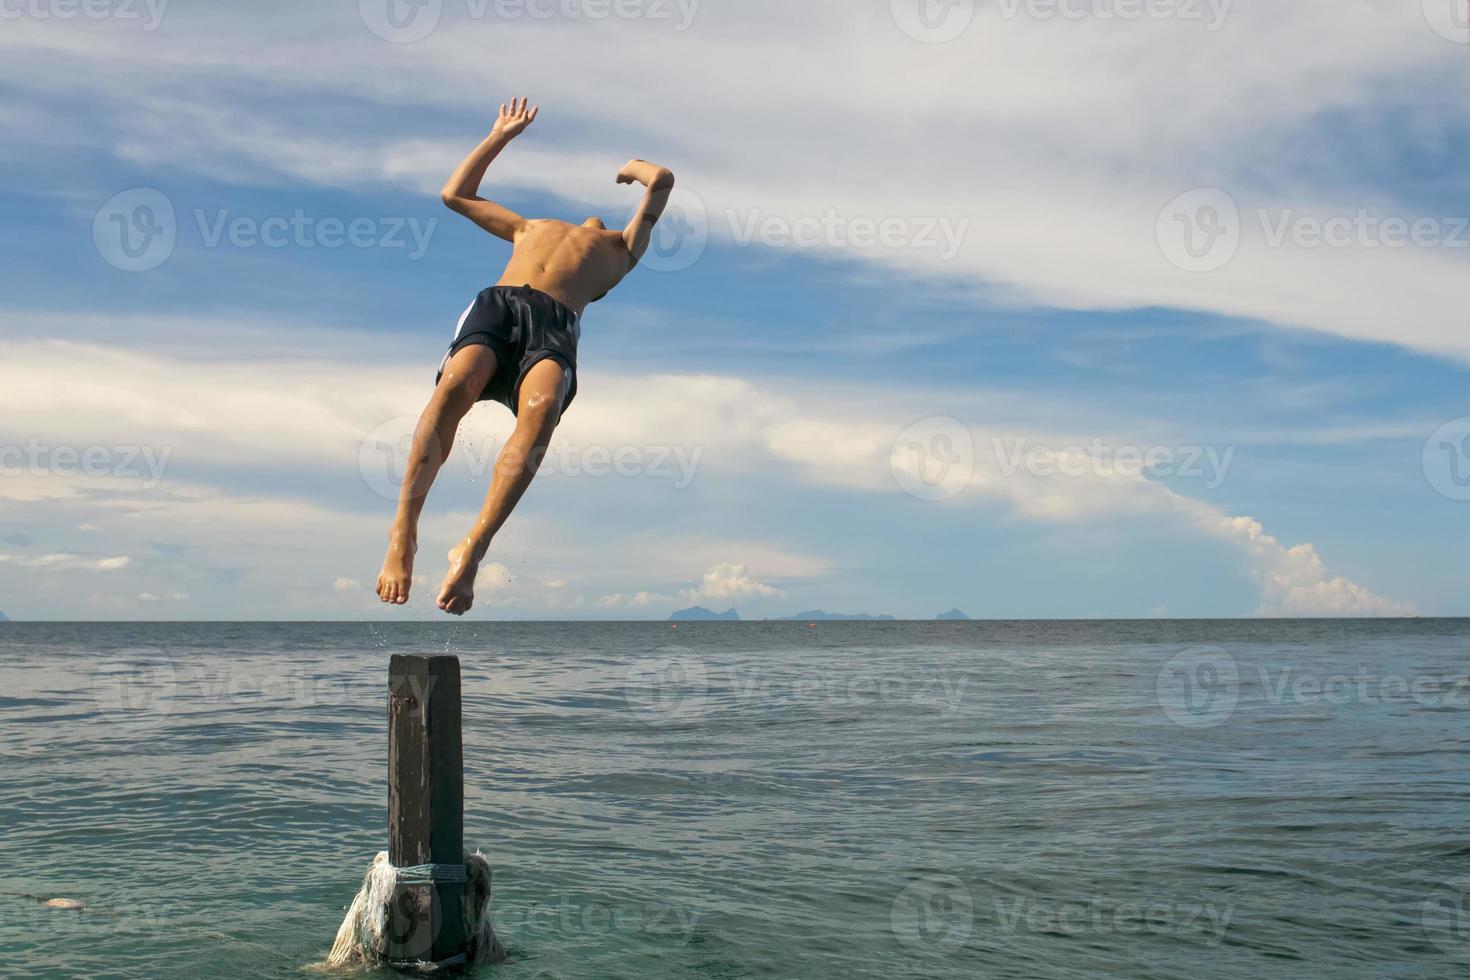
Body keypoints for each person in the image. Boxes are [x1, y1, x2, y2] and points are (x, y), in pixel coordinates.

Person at [375, 97, 676, 615]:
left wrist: (633, 170)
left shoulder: (622, 252)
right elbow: (455, 194)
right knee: (455, 386)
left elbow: (663, 181)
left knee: (542, 412)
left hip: (555, 326)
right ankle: (403, 530)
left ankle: (473, 549)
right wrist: (500, 135)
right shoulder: (528, 227)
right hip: (501, 304)